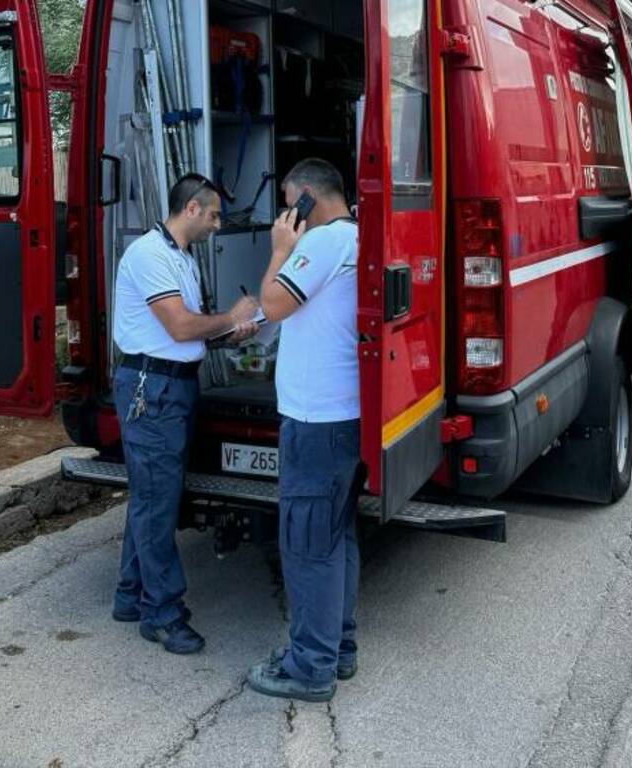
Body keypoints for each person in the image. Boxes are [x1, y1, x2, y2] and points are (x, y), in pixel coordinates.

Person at [111, 173, 260, 654]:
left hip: (169, 386)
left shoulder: (179, 258)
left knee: (151, 496)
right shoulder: (150, 255)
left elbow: (191, 332)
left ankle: (130, 595)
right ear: (192, 209)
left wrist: (230, 334)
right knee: (158, 503)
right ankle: (162, 613)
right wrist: (233, 316)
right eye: (214, 215)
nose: (218, 225)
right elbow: (178, 327)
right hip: (150, 389)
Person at [247, 158, 362, 702]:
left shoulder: (322, 243)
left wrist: (278, 250)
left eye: (292, 203)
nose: (288, 214)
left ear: (308, 199)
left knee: (308, 545)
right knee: (337, 537)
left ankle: (309, 667)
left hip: (316, 421)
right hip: (344, 416)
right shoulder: (358, 237)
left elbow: (273, 305)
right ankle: (337, 647)